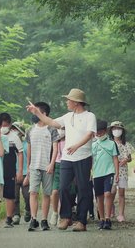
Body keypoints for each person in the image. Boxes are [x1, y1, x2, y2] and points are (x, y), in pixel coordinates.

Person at [26, 88, 97, 232]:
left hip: (83, 157)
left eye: (68, 100)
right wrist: (37, 112)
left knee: (82, 189)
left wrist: (77, 145)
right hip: (66, 158)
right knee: (63, 187)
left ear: (76, 102)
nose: (66, 102)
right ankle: (65, 217)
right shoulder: (67, 116)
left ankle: (81, 221)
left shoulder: (90, 116)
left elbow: (90, 134)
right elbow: (51, 122)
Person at [25, 102, 59, 231]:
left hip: (47, 166)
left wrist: (52, 163)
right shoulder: (30, 130)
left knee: (46, 194)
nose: (34, 114)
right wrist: (28, 167)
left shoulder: (51, 129)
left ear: (44, 114)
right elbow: (29, 149)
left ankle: (44, 220)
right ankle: (34, 219)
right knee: (33, 192)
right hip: (34, 166)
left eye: (36, 111)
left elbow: (55, 148)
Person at [92, 120, 119, 230]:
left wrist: (117, 173)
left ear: (105, 131)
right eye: (96, 132)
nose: (98, 134)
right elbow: (91, 159)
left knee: (108, 194)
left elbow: (115, 159)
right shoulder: (94, 144)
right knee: (99, 197)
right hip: (97, 173)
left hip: (109, 172)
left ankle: (108, 218)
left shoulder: (112, 143)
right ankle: (102, 219)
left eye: (100, 131)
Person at [0, 112, 24, 228]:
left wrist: (19, 171)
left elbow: (20, 154)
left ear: (9, 124)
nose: (2, 128)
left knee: (10, 195)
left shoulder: (14, 137)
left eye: (5, 125)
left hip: (10, 170)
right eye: (1, 125)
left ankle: (9, 218)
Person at [108, 121, 133, 222]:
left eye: (118, 129)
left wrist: (126, 160)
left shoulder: (126, 144)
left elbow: (130, 158)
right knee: (112, 192)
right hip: (112, 170)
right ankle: (110, 209)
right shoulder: (109, 143)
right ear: (111, 131)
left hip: (123, 171)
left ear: (122, 131)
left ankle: (121, 214)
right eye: (114, 129)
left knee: (121, 192)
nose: (116, 131)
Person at [11, 121, 31, 225]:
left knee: (27, 195)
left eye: (16, 130)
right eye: (12, 129)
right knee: (14, 196)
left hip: (25, 174)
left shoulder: (26, 145)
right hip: (13, 173)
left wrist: (29, 174)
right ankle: (16, 215)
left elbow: (30, 160)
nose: (14, 131)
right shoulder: (10, 144)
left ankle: (28, 209)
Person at [49, 127, 66, 226]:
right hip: (57, 165)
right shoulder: (55, 141)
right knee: (55, 191)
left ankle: (62, 214)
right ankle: (55, 212)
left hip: (66, 164)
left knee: (64, 191)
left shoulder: (70, 140)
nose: (61, 131)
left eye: (63, 129)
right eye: (59, 129)